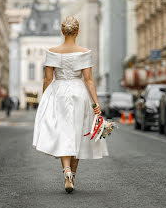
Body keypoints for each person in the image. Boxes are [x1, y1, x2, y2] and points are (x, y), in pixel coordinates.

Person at [32, 16, 109, 193]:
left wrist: (46, 98)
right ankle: (72, 174)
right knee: (78, 133)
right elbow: (89, 80)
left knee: (63, 132)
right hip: (79, 93)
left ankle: (66, 170)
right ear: (77, 31)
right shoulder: (84, 52)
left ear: (62, 31)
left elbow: (47, 78)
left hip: (58, 92)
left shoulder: (52, 51)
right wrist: (96, 103)